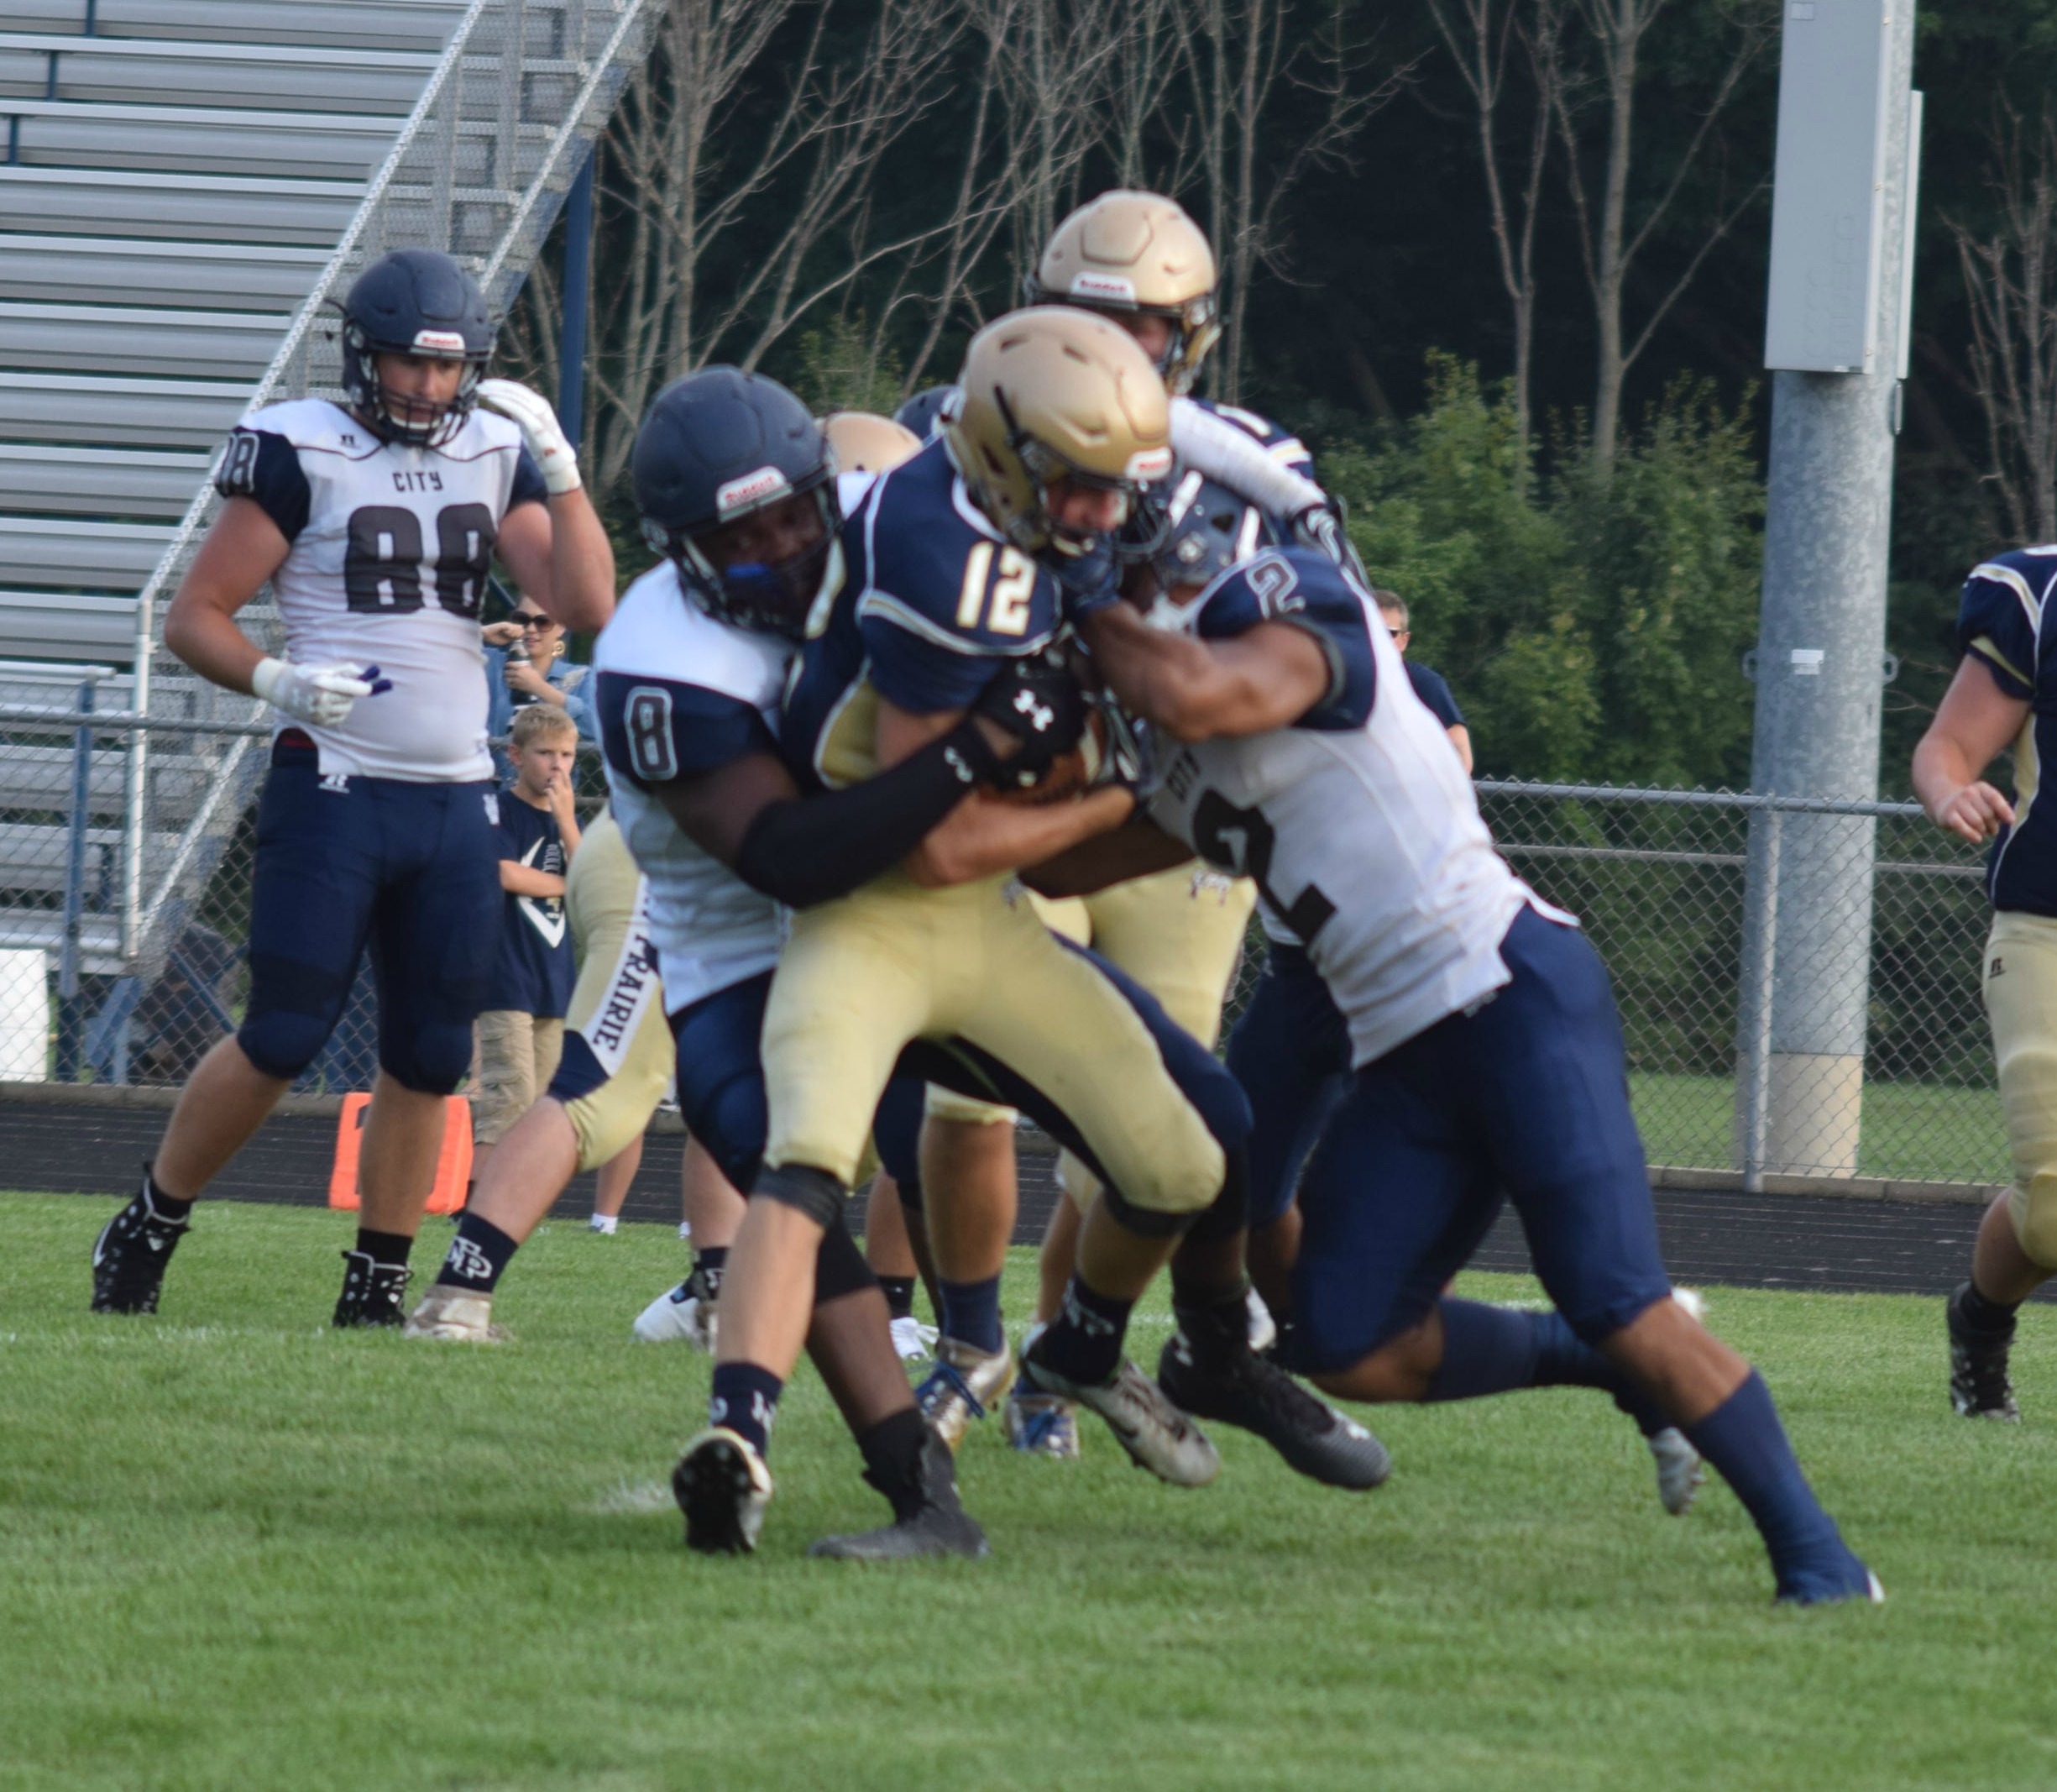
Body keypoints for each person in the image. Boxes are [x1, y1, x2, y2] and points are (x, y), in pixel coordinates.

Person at [1055, 517, 1882, 1606]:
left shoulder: (1314, 628)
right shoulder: (1178, 759)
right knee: (1339, 1336)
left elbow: (1198, 693)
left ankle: (1820, 1561)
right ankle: (1606, 1366)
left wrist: (1072, 600)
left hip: (1511, 995)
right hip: (1403, 1050)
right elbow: (1063, 847)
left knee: (1613, 1292)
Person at [680, 307, 1382, 1559]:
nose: (1103, 517)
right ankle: (742, 1435)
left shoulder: (1048, 491)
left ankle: (1097, 1347)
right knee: (808, 1156)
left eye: (1117, 488)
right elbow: (934, 839)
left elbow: (1190, 476)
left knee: (1183, 1157)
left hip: (988, 916)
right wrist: (1132, 791)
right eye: (1081, 487)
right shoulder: (940, 549)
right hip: (876, 907)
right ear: (1008, 458)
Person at [410, 367, 1087, 1560]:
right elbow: (792, 851)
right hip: (726, 915)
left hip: (853, 918)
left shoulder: (888, 555)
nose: (778, 549)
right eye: (742, 532)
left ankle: (1013, 1366)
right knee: (702, 1128)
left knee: (1069, 1125)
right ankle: (501, 1303)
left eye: (798, 516)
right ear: (688, 547)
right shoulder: (663, 659)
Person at [88, 246, 614, 1325]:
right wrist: (277, 676)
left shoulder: (494, 448)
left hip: (458, 791)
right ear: (362, 357)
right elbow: (195, 616)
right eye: (407, 367)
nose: (427, 388)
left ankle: (376, 1280)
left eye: (446, 369)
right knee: (283, 1031)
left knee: (429, 1051)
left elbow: (586, 601)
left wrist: (560, 468)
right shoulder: (301, 444)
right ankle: (150, 1217)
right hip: (333, 779)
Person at [1911, 545, 2057, 1422]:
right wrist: (1949, 793)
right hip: (2046, 923)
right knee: (2050, 1217)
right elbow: (1947, 747)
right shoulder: (2036, 593)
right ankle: (1978, 1322)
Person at [470, 704, 582, 1190]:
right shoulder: (497, 808)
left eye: (567, 755)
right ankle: (472, 1201)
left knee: (541, 1104)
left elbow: (592, 882)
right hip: (504, 977)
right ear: (516, 755)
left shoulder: (567, 821)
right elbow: (504, 872)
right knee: (507, 1096)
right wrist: (566, 884)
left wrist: (568, 820)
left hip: (553, 981)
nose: (558, 766)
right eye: (545, 754)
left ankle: (509, 1199)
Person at [1375, 589, 1472, 774]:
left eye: (1389, 633)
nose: (1377, 639)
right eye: (1370, 631)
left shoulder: (1424, 684)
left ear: (1404, 640)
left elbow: (1461, 757)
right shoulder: (1337, 684)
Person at [481, 599, 596, 742]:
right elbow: (445, 656)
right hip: (496, 764)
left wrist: (539, 687)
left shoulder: (580, 677)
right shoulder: (492, 663)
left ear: (561, 627)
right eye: (522, 620)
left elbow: (597, 729)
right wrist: (482, 633)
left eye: (543, 622)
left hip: (557, 765)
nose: (531, 629)